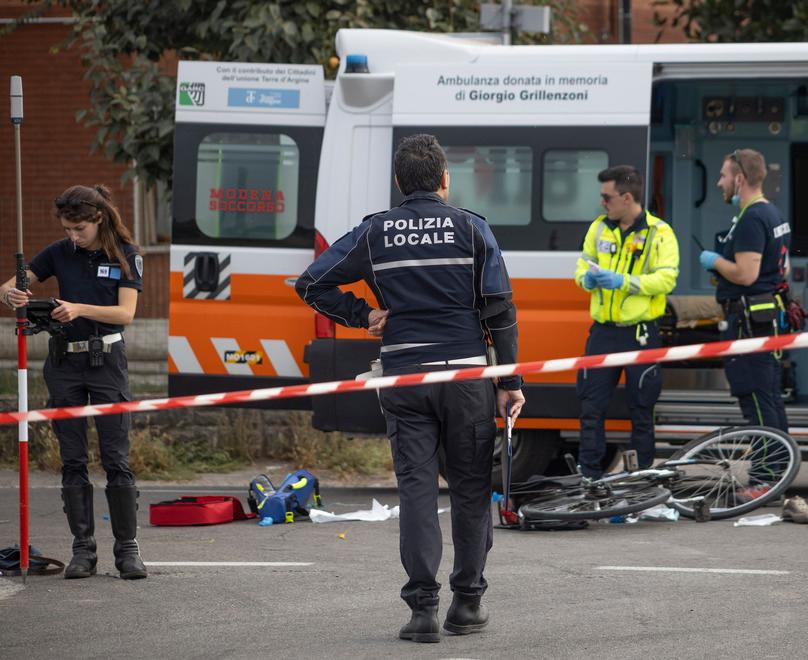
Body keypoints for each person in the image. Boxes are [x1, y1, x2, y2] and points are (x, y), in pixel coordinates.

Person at [295, 134, 524, 643]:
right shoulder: (472, 228)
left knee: (417, 490)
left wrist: (363, 315)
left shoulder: (375, 232)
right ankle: (467, 604)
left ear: (399, 182)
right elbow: (500, 309)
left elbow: (311, 283)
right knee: (468, 489)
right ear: (445, 179)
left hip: (403, 376)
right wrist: (510, 382)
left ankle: (422, 611)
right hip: (466, 377)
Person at [0, 184, 147, 580]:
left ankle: (127, 550)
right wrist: (12, 293)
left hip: (106, 361)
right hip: (64, 362)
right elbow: (13, 284)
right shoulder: (58, 253)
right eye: (67, 229)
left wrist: (79, 307)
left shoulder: (125, 256)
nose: (73, 236)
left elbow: (126, 314)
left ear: (98, 218)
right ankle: (83, 550)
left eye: (79, 228)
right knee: (72, 458)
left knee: (116, 458)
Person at [573, 165, 680, 479]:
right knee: (591, 409)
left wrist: (623, 282)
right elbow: (581, 266)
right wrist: (586, 280)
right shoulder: (599, 228)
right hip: (603, 333)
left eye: (607, 197)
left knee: (641, 411)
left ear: (627, 197)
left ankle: (642, 479)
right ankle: (589, 478)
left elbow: (667, 279)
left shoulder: (659, 232)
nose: (602, 203)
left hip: (640, 334)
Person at [698, 149, 790, 490]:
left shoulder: (752, 217)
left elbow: (746, 274)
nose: (719, 182)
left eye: (722, 175)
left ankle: (765, 478)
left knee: (756, 400)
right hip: (764, 320)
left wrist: (714, 262)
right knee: (768, 398)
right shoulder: (772, 212)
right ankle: (778, 471)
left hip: (749, 322)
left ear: (739, 179)